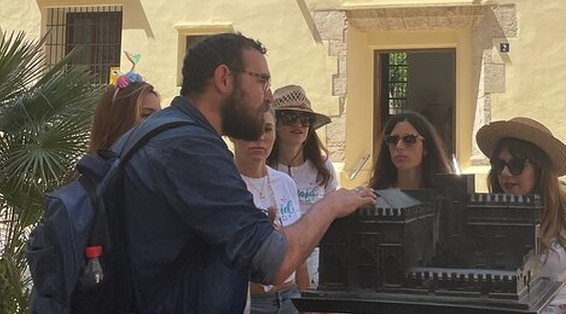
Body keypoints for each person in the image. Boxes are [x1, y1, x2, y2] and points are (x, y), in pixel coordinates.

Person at [116, 32, 376, 313]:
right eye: (262, 81)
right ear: (224, 78)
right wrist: (331, 205)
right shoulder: (190, 147)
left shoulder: (172, 132)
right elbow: (273, 262)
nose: (268, 97)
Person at [476, 117, 566, 313]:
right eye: (498, 164)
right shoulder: (482, 214)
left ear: (539, 168)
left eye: (516, 165)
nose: (505, 173)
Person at [233, 107, 308, 314]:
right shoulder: (226, 185)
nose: (259, 137)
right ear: (233, 134)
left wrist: (306, 299)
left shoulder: (285, 182)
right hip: (249, 302)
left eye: (267, 129)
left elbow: (299, 249)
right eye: (250, 129)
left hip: (290, 299)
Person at [267, 84, 338, 289]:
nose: (299, 124)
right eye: (290, 117)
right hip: (276, 263)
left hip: (316, 262)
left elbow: (332, 219)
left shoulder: (324, 168)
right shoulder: (263, 168)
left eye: (305, 119)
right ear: (276, 123)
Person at [369, 111, 452, 190]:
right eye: (392, 139)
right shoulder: (374, 198)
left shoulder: (446, 197)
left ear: (425, 147)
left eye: (409, 139)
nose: (399, 146)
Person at [88, 70, 160, 153]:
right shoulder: (94, 165)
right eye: (146, 114)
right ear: (117, 120)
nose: (159, 121)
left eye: (161, 114)